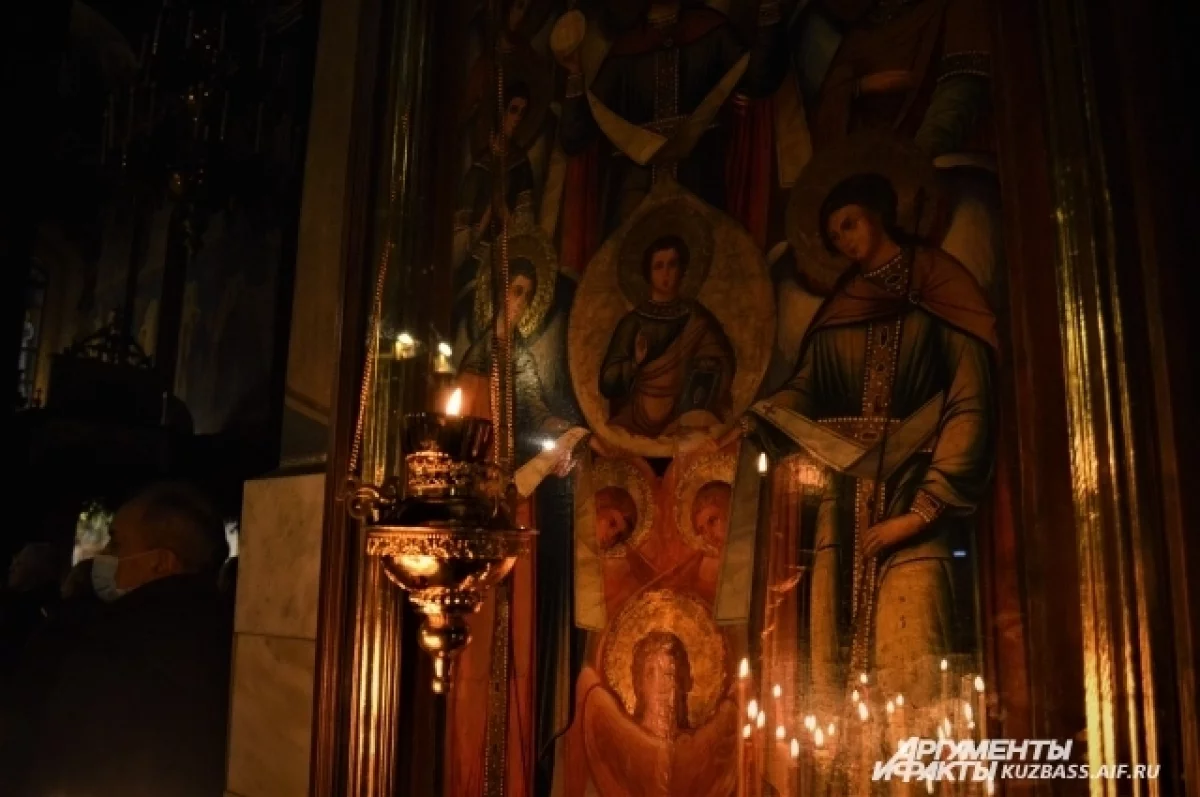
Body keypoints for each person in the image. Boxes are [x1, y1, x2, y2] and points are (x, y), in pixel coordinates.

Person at [751, 171, 996, 708]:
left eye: (850, 224)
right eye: (834, 235)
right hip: (843, 503)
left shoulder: (939, 286)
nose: (844, 240)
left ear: (880, 214)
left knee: (916, 652)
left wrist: (920, 513)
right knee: (833, 667)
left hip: (918, 491)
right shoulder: (844, 305)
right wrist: (770, 414)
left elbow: (970, 399)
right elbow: (809, 386)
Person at [3, 481, 232, 797]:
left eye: (117, 543)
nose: (104, 555)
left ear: (159, 562)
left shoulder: (113, 644)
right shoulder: (230, 642)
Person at [600, 234, 736, 439]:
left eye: (672, 265)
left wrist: (707, 366)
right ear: (648, 273)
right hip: (635, 419)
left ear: (682, 270)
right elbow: (607, 381)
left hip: (686, 418)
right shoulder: (632, 323)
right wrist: (635, 363)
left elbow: (723, 361)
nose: (666, 273)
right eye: (658, 266)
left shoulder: (697, 319)